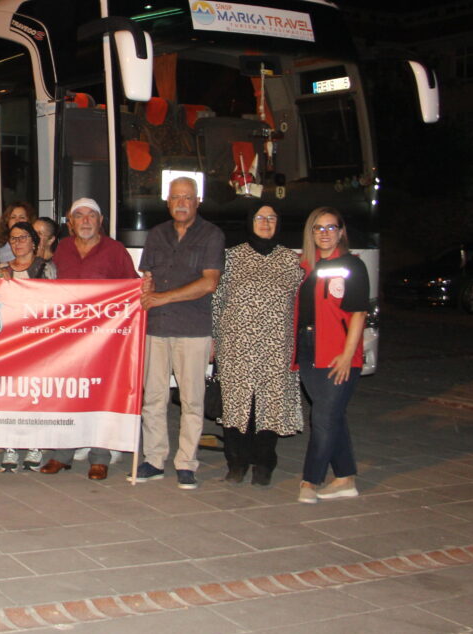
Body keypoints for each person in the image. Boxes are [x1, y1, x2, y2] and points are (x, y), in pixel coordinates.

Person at [135, 177, 224, 490]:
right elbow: (148, 277)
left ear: (197, 201)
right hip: (156, 328)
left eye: (188, 197)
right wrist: (148, 288)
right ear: (167, 201)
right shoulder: (157, 234)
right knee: (153, 399)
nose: (182, 203)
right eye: (176, 197)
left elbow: (209, 283)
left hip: (193, 330)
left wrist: (162, 297)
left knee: (192, 401)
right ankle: (154, 459)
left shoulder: (212, 235)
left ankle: (187, 463)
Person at [41, 198, 138, 480]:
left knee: (101, 395)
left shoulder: (115, 250)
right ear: (70, 223)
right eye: (79, 216)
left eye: (91, 216)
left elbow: (130, 288)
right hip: (68, 340)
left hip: (104, 340)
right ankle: (62, 454)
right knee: (68, 394)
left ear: (100, 221)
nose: (85, 221)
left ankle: (100, 456)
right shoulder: (63, 249)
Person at [212, 203, 302, 486]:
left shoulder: (291, 260)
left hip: (276, 347)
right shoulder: (231, 257)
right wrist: (213, 340)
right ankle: (236, 463)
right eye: (260, 217)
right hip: (236, 346)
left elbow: (302, 303)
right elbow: (216, 301)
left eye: (271, 218)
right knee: (238, 407)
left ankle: (264, 463)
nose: (265, 222)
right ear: (250, 222)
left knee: (269, 405)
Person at [295, 207, 368, 504]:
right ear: (311, 233)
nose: (324, 233)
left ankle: (310, 481)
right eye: (318, 228)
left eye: (330, 227)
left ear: (341, 231)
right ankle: (345, 478)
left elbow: (359, 312)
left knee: (323, 416)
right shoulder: (306, 267)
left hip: (338, 351)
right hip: (309, 347)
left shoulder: (352, 265)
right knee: (331, 415)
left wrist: (348, 355)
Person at [0, 221, 56, 472]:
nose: (18, 243)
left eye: (23, 238)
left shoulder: (46, 268)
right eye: (14, 238)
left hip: (36, 341)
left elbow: (52, 302)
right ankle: (10, 446)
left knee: (34, 395)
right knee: (9, 395)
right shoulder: (0, 268)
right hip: (8, 341)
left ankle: (35, 444)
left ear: (34, 242)